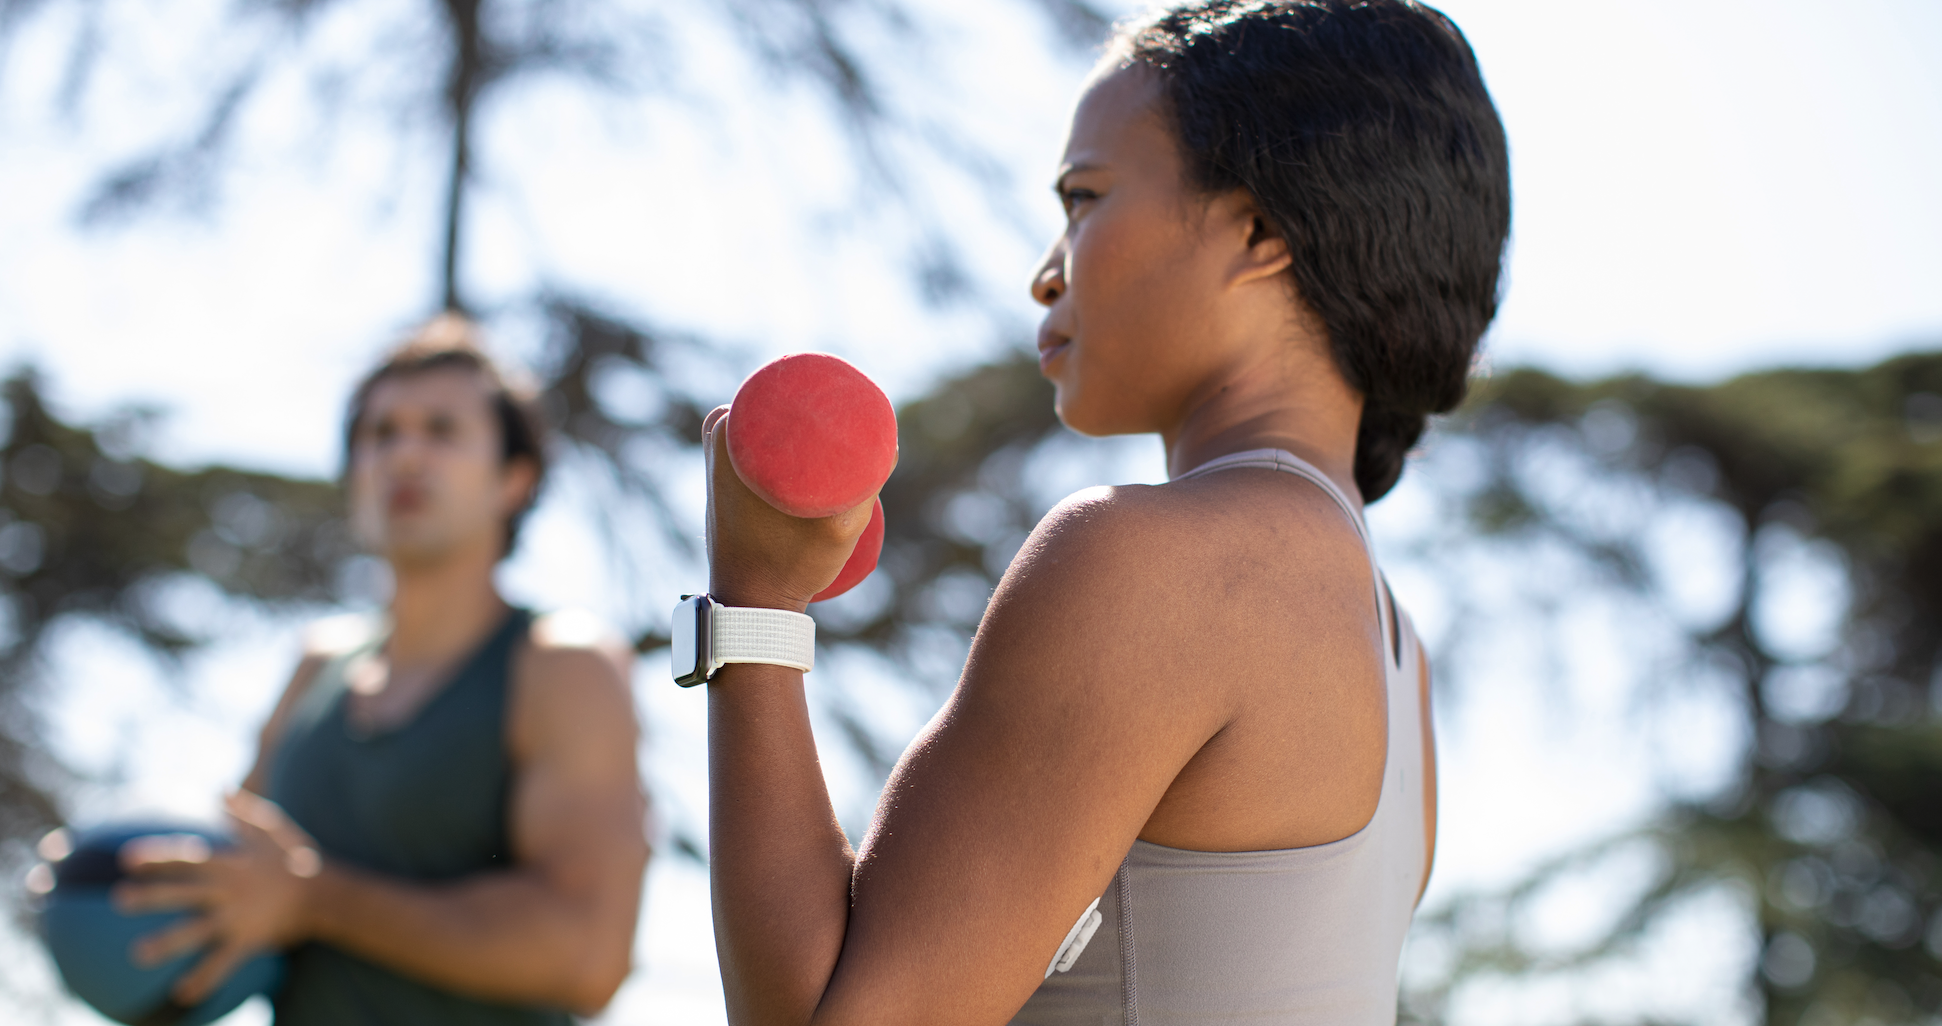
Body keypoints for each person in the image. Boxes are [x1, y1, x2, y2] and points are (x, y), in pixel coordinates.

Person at [693, 2, 1509, 1024]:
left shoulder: (1158, 562)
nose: (1045, 271)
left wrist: (756, 600)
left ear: (1259, 230)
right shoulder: (1399, 657)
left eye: (1083, 199)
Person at [114, 316, 652, 1024]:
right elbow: (240, 888)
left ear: (514, 480)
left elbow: (588, 955)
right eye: (380, 434)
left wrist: (320, 900)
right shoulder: (316, 668)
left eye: (441, 431)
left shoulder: (562, 666)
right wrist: (96, 879)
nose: (403, 455)